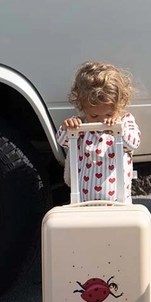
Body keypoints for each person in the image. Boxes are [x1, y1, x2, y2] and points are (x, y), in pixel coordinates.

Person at [56, 61, 141, 203]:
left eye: (109, 115)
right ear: (83, 108)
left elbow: (133, 143)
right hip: (83, 200)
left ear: (120, 104)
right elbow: (63, 141)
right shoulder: (82, 125)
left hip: (118, 201)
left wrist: (117, 130)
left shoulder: (125, 121)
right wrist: (67, 128)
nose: (101, 121)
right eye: (94, 116)